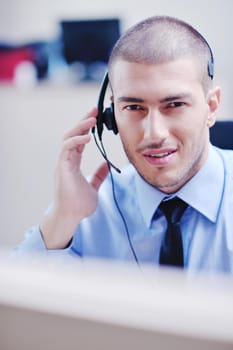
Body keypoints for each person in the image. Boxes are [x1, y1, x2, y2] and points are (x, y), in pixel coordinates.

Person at [15, 15, 233, 274]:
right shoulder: (91, 207)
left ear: (211, 107)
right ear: (110, 117)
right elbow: (16, 300)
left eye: (174, 105)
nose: (154, 133)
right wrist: (62, 218)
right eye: (133, 107)